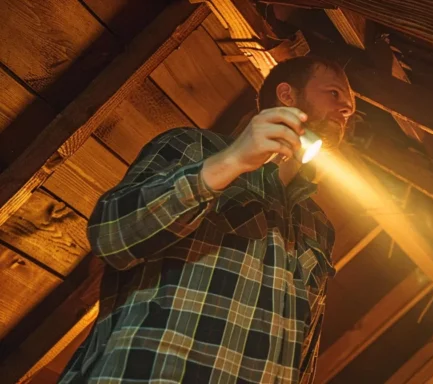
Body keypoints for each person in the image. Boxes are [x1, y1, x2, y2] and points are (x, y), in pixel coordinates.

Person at [57, 55, 356, 383]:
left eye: (350, 105)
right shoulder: (193, 148)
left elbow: (305, 348)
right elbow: (111, 237)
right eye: (334, 94)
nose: (347, 109)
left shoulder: (318, 225)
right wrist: (230, 162)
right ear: (287, 96)